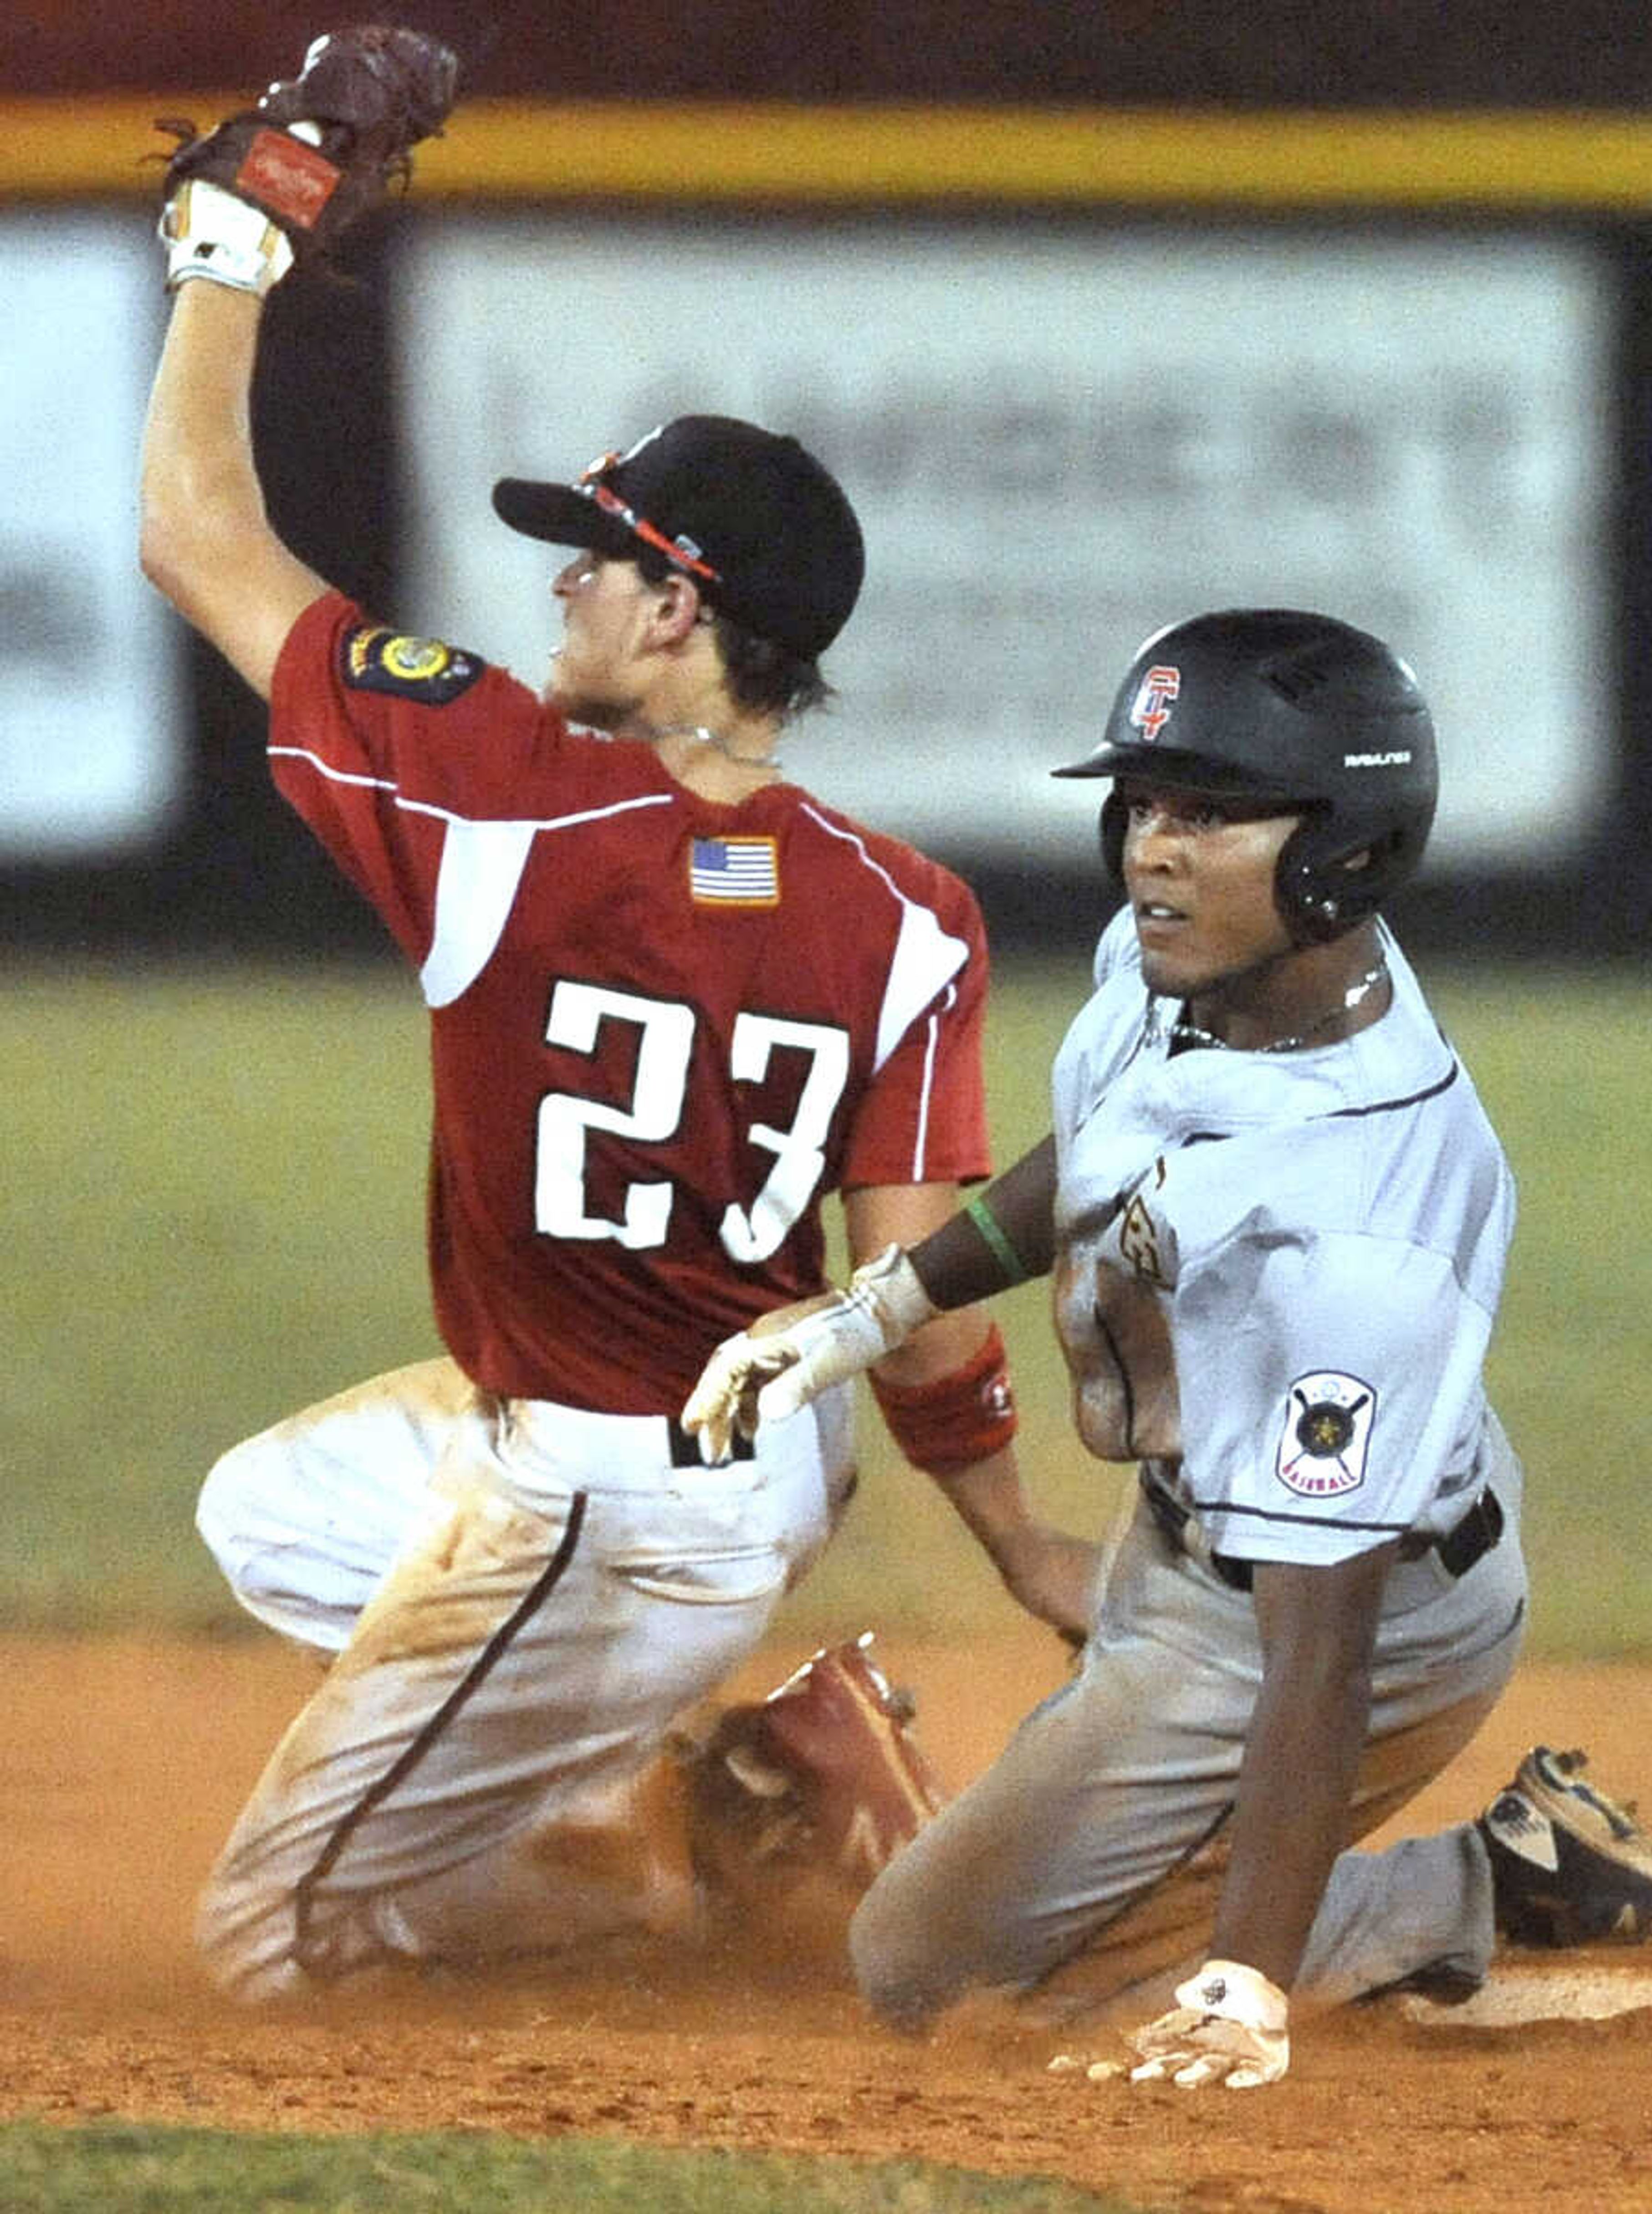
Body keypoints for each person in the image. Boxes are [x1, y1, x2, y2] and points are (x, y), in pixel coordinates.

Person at [138, 37, 1096, 2002]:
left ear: (680, 615)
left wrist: (234, 247)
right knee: (269, 1515)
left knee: (271, 1948)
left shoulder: (502, 795)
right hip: (766, 1458)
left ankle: (697, 1878)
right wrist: (1017, 1546)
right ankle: (716, 1757)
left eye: (599, 556)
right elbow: (910, 1290)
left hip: (601, 1502)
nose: (562, 585)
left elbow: (197, 535)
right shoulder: (907, 906)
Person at [685, 608, 1652, 2088]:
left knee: (926, 1971)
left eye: (1215, 812)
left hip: (1337, 1610)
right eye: (1149, 802)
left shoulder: (1369, 1227)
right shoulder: (1205, 965)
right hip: (1195, 1541)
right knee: (1050, 1909)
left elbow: (1323, 1652)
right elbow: (1108, 1153)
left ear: (1344, 848)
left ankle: (1492, 1882)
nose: (1154, 850)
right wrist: (874, 1313)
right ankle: (1247, 1879)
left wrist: (1246, 1984)